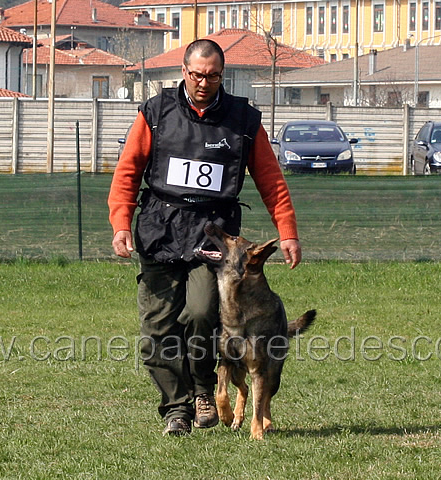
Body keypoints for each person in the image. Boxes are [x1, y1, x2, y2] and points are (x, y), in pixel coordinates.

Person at [108, 38, 302, 437]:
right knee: (158, 329)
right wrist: (121, 223)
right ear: (184, 71)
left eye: (213, 76)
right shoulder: (156, 113)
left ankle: (202, 390)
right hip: (160, 228)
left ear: (222, 76)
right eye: (197, 74)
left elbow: (271, 180)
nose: (204, 82)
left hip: (212, 236)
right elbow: (127, 172)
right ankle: (176, 409)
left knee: (201, 313)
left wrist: (287, 232)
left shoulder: (242, 120)